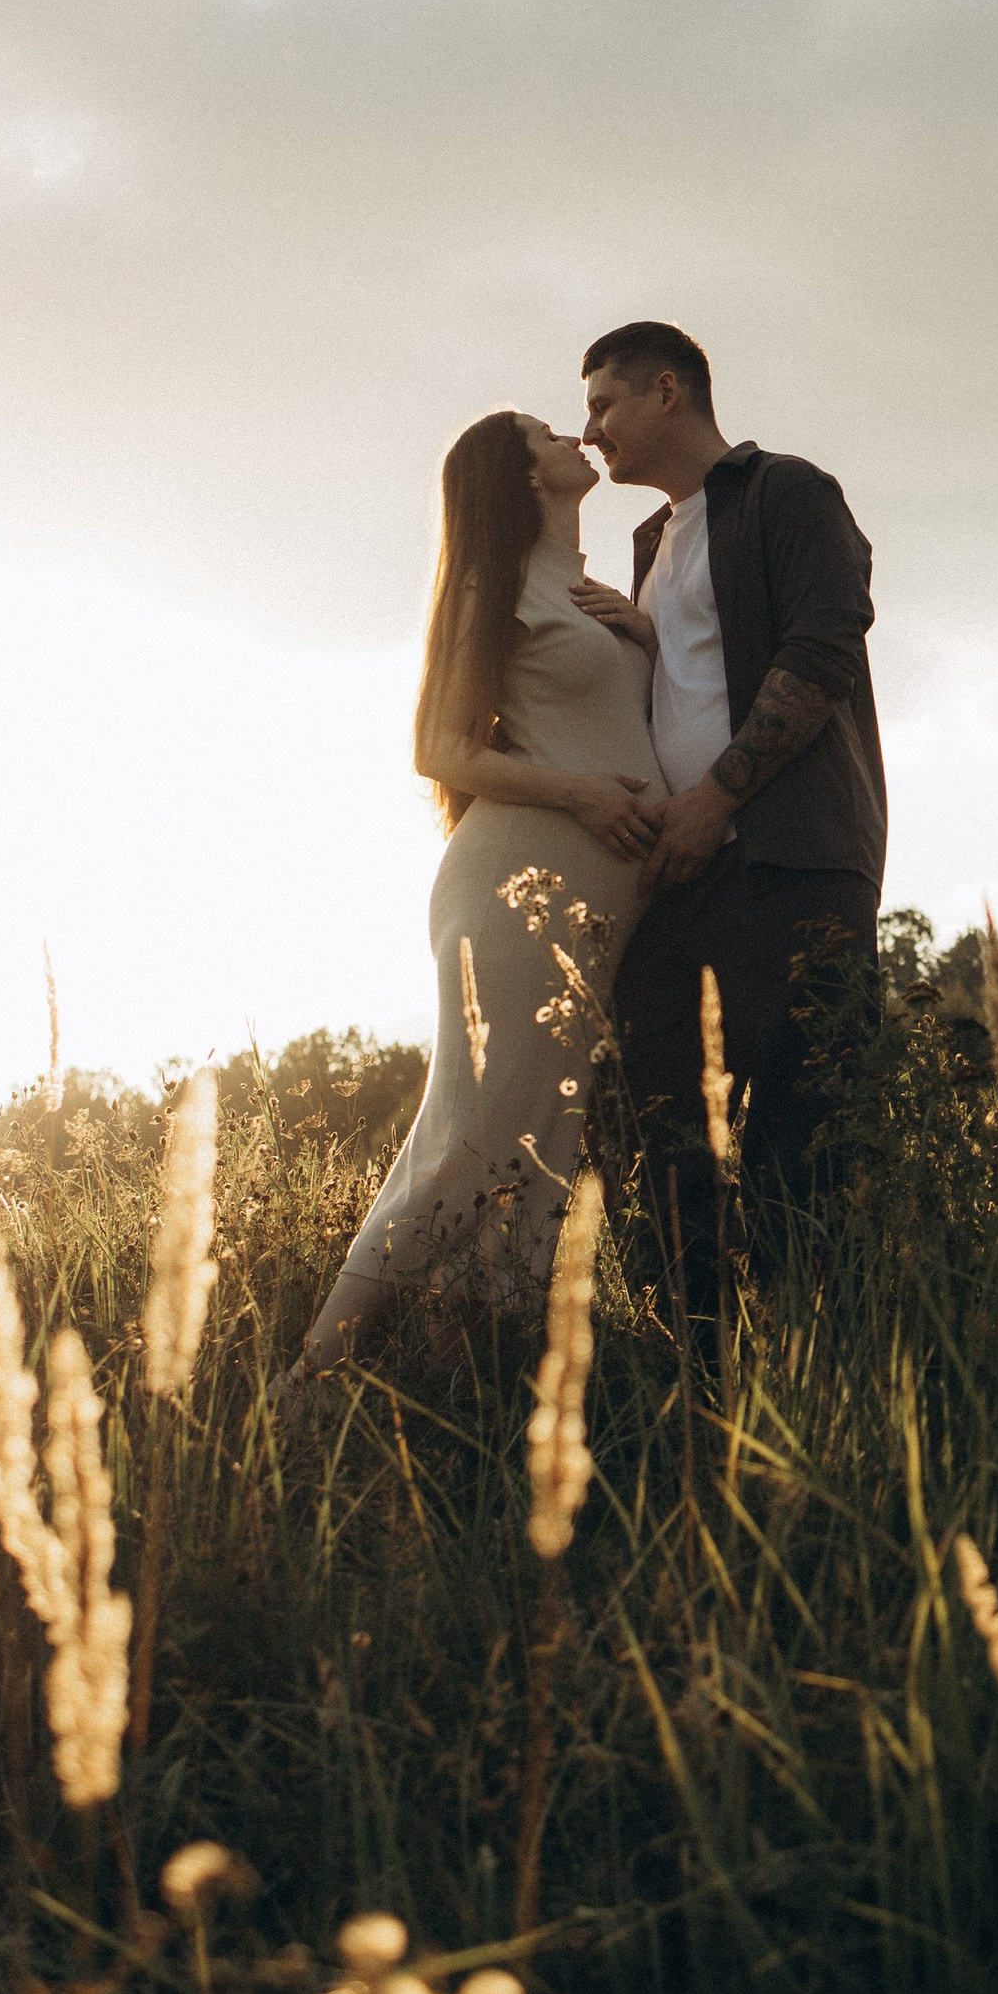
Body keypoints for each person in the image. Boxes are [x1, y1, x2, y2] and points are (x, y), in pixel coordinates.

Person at [284, 410, 662, 1378]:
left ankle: (462, 1380)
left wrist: (648, 637)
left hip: (600, 898)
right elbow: (440, 748)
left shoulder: (593, 595)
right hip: (517, 881)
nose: (573, 437)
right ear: (518, 474)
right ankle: (309, 1380)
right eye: (546, 433)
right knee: (473, 1134)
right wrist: (580, 794)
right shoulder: (492, 585)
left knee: (539, 1142)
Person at [573, 322, 885, 1284]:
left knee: (806, 1142)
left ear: (667, 391)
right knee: (659, 1130)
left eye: (603, 404)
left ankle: (812, 1350)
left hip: (789, 861)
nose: (590, 431)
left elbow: (822, 651)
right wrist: (643, 643)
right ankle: (690, 1355)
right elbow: (698, 679)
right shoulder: (652, 541)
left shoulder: (789, 492)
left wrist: (716, 799)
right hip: (680, 872)